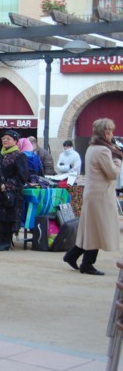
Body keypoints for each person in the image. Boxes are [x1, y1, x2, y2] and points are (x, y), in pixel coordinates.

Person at [63, 118, 123, 276]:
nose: (112, 134)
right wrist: (117, 160)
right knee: (96, 229)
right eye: (110, 131)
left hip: (94, 193)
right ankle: (87, 264)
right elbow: (112, 173)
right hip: (100, 195)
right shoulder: (103, 150)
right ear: (106, 132)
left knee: (90, 228)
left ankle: (73, 255)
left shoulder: (92, 148)